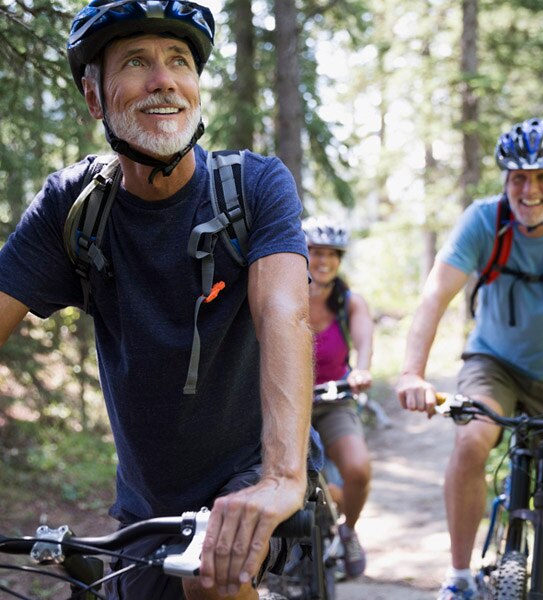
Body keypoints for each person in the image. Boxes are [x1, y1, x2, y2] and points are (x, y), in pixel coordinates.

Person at [0, 2, 321, 599]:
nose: (164, 79)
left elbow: (286, 311)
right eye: (136, 62)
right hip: (147, 504)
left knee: (211, 580)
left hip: (256, 472)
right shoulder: (72, 208)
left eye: (179, 60)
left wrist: (281, 478)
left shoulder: (254, 186)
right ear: (95, 98)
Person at [396, 117, 543, 600]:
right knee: (472, 441)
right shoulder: (485, 220)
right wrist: (411, 372)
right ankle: (461, 577)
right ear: (505, 180)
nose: (529, 190)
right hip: (494, 364)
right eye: (519, 178)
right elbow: (435, 296)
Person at [303, 216, 374, 579]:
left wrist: (361, 369)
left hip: (334, 398)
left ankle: (347, 531)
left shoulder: (350, 302)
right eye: (315, 252)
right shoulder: (286, 291)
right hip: (288, 401)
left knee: (358, 470)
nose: (323, 261)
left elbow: (363, 343)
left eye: (332, 254)